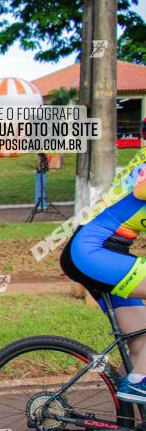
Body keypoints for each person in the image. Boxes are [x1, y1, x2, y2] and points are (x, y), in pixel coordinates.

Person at [60, 148, 146, 403]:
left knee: (141, 343)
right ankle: (139, 383)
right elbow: (141, 190)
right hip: (92, 251)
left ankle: (128, 429)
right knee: (141, 370)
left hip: (104, 251)